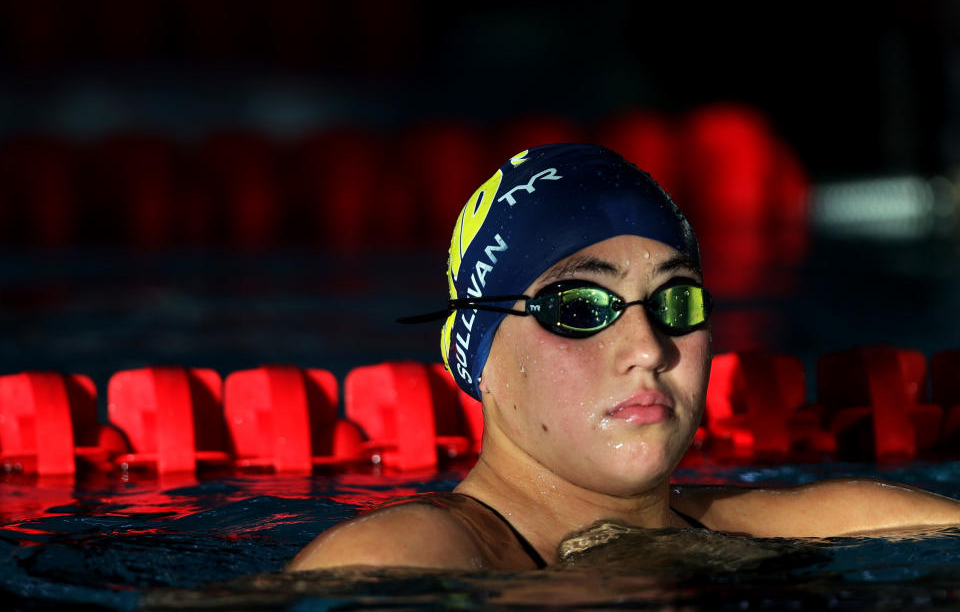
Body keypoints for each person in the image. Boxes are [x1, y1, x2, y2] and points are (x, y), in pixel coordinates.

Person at [288, 144, 960, 571]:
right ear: (479, 358)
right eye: (580, 308)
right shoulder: (406, 557)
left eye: (675, 301)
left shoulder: (773, 528)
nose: (649, 348)